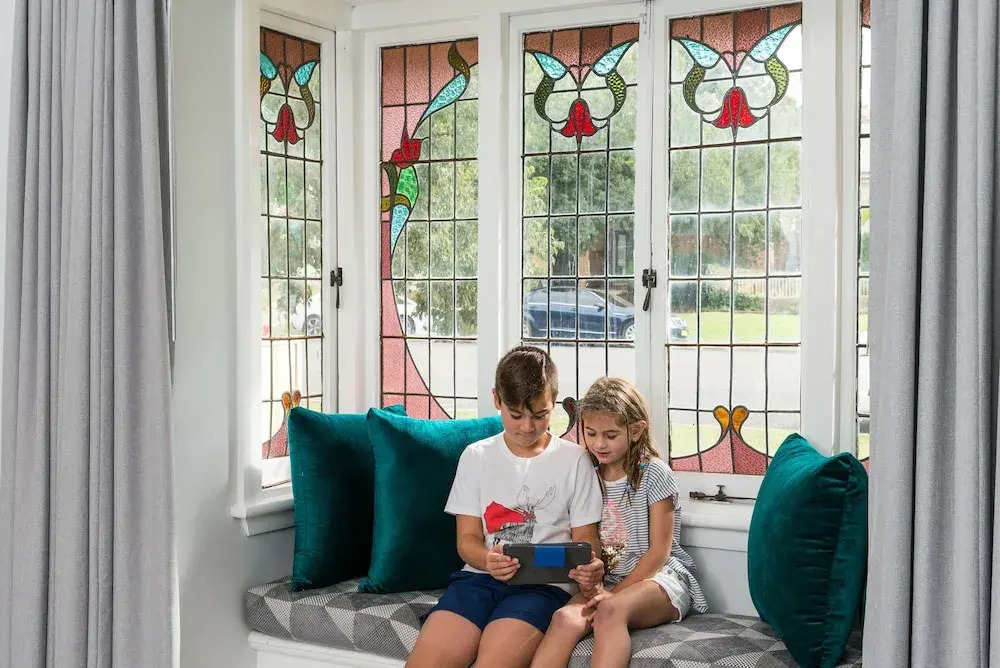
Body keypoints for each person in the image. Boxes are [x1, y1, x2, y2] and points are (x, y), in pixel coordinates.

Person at [405, 346, 607, 668]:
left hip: (542, 587)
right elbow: (467, 541)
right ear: (497, 399)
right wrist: (488, 560)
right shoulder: (476, 456)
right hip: (477, 580)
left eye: (539, 415)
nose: (527, 426)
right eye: (516, 415)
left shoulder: (575, 460)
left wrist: (591, 565)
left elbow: (587, 541)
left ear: (554, 402)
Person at [530, 377, 708, 668]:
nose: (599, 444)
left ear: (635, 431)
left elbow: (659, 553)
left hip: (658, 578)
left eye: (611, 435)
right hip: (606, 581)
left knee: (609, 611)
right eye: (591, 433)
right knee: (563, 618)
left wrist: (614, 593)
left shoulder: (654, 473)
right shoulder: (587, 472)